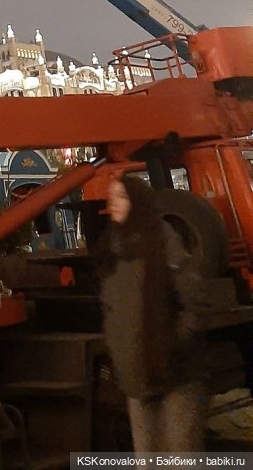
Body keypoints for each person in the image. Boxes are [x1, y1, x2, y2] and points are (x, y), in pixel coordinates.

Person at [96, 174, 208, 454]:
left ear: (137, 200)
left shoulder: (162, 240)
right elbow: (114, 312)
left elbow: (192, 301)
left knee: (180, 457)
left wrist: (172, 345)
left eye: (121, 197)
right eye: (111, 199)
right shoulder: (112, 249)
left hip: (175, 373)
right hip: (136, 378)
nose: (114, 205)